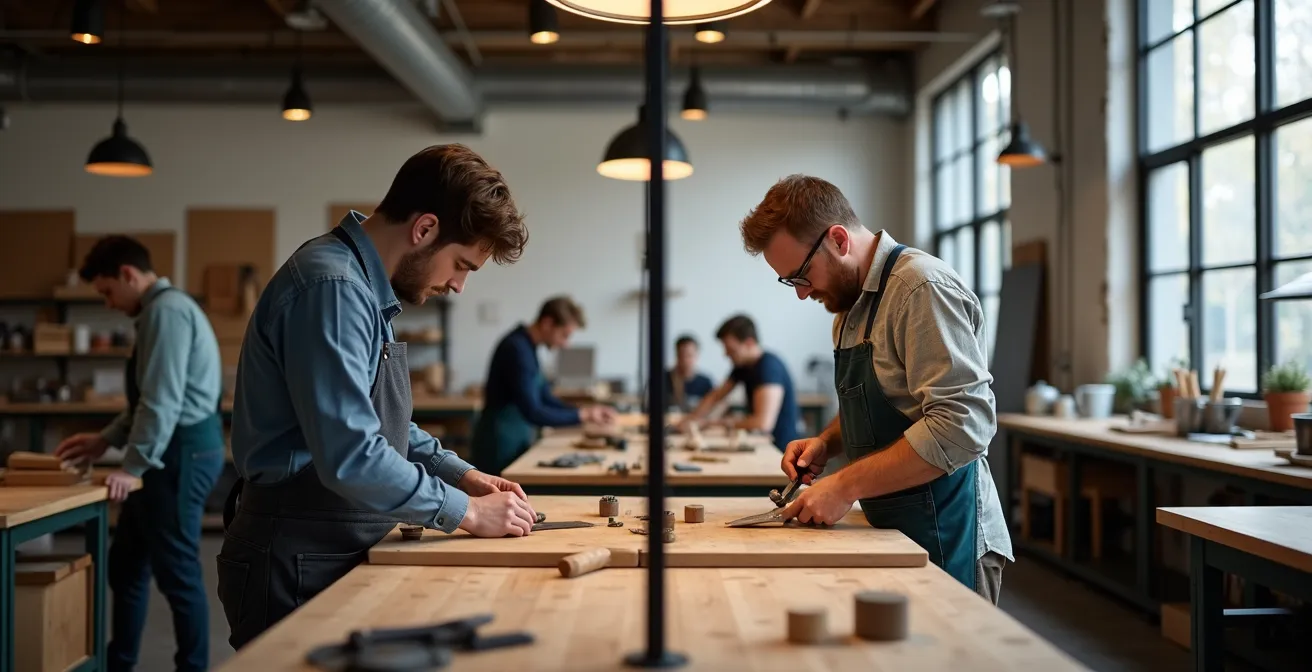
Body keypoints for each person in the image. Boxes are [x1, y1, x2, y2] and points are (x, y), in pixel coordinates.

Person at [219, 144, 539, 649]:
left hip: (333, 542)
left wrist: (464, 476)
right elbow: (352, 455)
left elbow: (382, 424)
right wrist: (469, 513)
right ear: (425, 229)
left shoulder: (365, 288)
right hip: (297, 554)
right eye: (461, 265)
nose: (458, 286)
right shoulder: (333, 288)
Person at [739, 174, 1012, 603]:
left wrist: (843, 486)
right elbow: (881, 401)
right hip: (890, 530)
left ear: (838, 240)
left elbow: (962, 425)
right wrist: (828, 442)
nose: (802, 294)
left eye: (802, 276)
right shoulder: (849, 309)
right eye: (790, 282)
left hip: (947, 531)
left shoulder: (920, 289)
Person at [55, 235, 225, 672]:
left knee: (178, 573)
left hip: (180, 452)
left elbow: (162, 401)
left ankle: (193, 668)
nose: (109, 304)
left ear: (128, 274)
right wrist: (105, 440)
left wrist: (133, 467)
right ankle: (121, 663)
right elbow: (147, 400)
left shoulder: (166, 312)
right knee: (127, 565)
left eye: (108, 292)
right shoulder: (161, 310)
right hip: (167, 449)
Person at [471, 296, 616, 474]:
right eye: (564, 335)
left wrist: (586, 411)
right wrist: (581, 415)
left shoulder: (528, 348)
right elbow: (533, 411)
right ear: (547, 323)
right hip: (499, 443)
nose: (565, 344)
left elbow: (546, 398)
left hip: (517, 436)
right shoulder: (516, 349)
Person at [682, 315, 801, 451]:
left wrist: (714, 423)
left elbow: (762, 423)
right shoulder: (742, 366)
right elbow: (715, 396)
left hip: (781, 450)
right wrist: (690, 420)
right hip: (764, 444)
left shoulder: (769, 368)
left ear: (749, 343)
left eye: (731, 349)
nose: (726, 354)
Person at [665, 334, 714, 412]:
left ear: (697, 355)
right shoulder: (663, 379)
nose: (685, 360)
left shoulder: (705, 383)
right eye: (681, 355)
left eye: (689, 355)